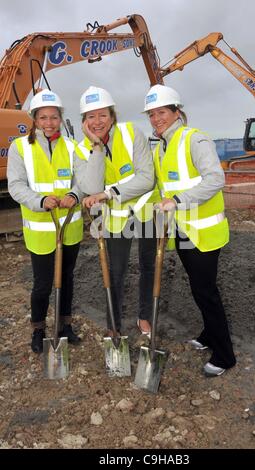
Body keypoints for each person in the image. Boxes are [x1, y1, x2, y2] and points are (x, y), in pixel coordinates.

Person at [143, 84, 236, 377]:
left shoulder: (195, 139)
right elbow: (164, 190)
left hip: (204, 234)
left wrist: (178, 201)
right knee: (198, 289)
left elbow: (215, 179)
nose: (156, 118)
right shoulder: (162, 147)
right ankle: (209, 334)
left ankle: (224, 355)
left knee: (207, 292)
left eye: (161, 112)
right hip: (182, 233)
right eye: (151, 114)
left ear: (176, 112)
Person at [74, 86, 160, 337]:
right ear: (84, 122)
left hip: (146, 212)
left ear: (112, 116)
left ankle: (144, 315)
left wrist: (107, 193)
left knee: (148, 266)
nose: (97, 121)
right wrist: (97, 148)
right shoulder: (81, 150)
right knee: (115, 271)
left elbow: (147, 179)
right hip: (115, 219)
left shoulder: (132, 133)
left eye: (102, 115)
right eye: (91, 116)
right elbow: (90, 188)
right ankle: (114, 324)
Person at [7, 89, 83, 353]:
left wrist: (74, 194)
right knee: (42, 284)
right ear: (35, 120)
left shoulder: (72, 146)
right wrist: (39, 201)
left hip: (70, 228)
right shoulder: (20, 147)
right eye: (43, 118)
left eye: (54, 117)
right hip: (40, 232)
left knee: (68, 278)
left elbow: (81, 181)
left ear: (60, 118)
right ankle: (38, 329)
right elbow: (16, 185)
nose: (49, 123)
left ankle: (65, 325)